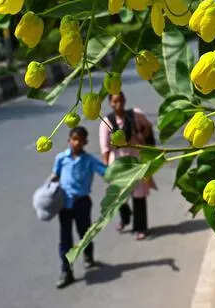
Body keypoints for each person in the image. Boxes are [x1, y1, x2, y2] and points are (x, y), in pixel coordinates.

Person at [51, 126, 107, 289]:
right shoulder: (61, 158)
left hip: (82, 202)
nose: (76, 143)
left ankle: (88, 257)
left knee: (84, 234)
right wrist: (48, 190)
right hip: (65, 205)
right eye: (73, 139)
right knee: (65, 239)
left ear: (85, 142)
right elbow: (55, 175)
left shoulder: (89, 160)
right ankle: (66, 272)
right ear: (69, 140)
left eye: (80, 140)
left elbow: (105, 172)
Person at [99, 91, 155, 240]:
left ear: (125, 100)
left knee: (139, 196)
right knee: (119, 197)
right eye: (114, 101)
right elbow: (105, 148)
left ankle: (140, 227)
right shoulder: (107, 122)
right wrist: (107, 169)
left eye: (120, 100)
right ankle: (125, 218)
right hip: (118, 164)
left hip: (136, 162)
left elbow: (148, 126)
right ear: (110, 103)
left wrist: (142, 135)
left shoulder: (135, 114)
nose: (118, 104)